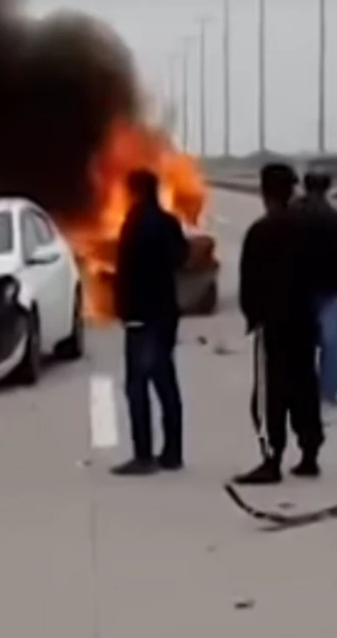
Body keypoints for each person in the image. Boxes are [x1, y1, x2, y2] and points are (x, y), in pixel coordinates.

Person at [234, 162, 324, 485]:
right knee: (304, 387)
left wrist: (252, 317)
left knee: (270, 394)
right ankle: (310, 454)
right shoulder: (308, 228)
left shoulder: (261, 231)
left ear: (264, 192)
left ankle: (272, 458)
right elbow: (321, 275)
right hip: (304, 322)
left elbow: (248, 283)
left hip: (273, 326)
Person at [110, 169, 190, 476]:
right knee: (165, 383)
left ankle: (143, 455)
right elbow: (182, 258)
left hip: (141, 317)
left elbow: (126, 269)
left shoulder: (135, 223)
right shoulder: (168, 222)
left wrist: (124, 308)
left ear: (137, 191)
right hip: (165, 312)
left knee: (137, 386)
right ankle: (172, 453)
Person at [296, 172, 337, 408]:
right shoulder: (335, 219)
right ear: (327, 189)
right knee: (331, 342)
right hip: (330, 288)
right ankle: (328, 394)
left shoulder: (293, 216)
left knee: (300, 342)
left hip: (299, 289)